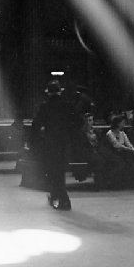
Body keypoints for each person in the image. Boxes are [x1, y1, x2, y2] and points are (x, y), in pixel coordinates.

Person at [33, 79, 76, 210]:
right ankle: (56, 197)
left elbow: (36, 124)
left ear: (48, 92)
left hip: (50, 144)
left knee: (52, 171)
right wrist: (68, 131)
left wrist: (38, 137)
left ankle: (62, 199)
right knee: (60, 171)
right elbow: (78, 121)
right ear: (60, 91)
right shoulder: (67, 105)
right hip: (63, 143)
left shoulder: (45, 106)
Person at [103, 113, 134, 188]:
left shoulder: (123, 133)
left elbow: (128, 144)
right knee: (123, 161)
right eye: (122, 123)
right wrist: (130, 150)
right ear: (118, 123)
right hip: (114, 152)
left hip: (123, 152)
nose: (124, 124)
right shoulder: (110, 133)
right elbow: (116, 145)